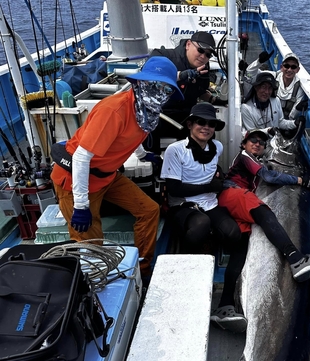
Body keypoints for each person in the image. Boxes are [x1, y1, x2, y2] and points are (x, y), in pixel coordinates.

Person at [50, 56, 183, 279]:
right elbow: (82, 157)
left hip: (108, 176)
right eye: (153, 85)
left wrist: (143, 155)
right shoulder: (114, 110)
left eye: (165, 88)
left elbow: (132, 136)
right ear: (139, 83)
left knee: (149, 211)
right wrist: (81, 206)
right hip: (76, 180)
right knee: (93, 246)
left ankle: (142, 269)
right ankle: (95, 288)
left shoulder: (146, 111)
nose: (158, 91)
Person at [160, 102, 248, 333]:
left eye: (211, 124)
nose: (206, 127)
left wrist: (218, 176)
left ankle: (226, 298)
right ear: (190, 124)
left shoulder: (217, 147)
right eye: (201, 122)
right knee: (201, 225)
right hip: (184, 206)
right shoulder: (176, 150)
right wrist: (210, 185)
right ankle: (187, 267)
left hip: (210, 203)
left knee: (234, 234)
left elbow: (212, 168)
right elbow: (174, 189)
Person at [218, 129, 310, 282]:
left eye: (261, 142)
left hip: (233, 204)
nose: (257, 144)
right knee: (264, 214)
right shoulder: (245, 156)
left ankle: (226, 301)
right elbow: (268, 176)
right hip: (232, 193)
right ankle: (296, 259)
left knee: (241, 248)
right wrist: (301, 180)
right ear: (244, 144)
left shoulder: (256, 160)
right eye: (253, 140)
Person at [148, 32, 226, 150]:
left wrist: (217, 100)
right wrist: (180, 76)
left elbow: (199, 91)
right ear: (188, 44)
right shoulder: (163, 55)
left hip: (186, 117)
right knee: (150, 133)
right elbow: (150, 74)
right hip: (161, 114)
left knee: (207, 132)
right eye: (200, 50)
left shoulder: (204, 67)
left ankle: (204, 163)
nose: (203, 56)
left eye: (208, 55)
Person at [243, 51, 306, 120]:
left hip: (285, 122)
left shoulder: (298, 89)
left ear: (297, 70)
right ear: (281, 67)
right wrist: (259, 62)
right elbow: (249, 75)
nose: (289, 70)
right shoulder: (272, 77)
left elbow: (292, 116)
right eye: (286, 66)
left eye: (293, 67)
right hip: (264, 117)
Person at [240, 72, 303, 136]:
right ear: (256, 87)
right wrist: (268, 131)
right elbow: (251, 133)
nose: (267, 92)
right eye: (263, 87)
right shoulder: (246, 108)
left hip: (275, 140)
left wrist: (294, 123)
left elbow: (280, 123)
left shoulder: (276, 101)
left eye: (270, 88)